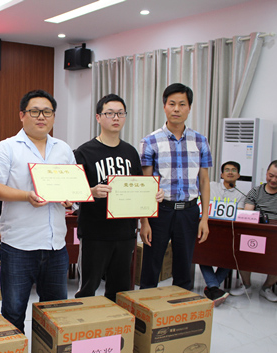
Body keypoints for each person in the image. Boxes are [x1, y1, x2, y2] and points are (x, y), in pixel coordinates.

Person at [0, 89, 75, 332]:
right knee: (13, 312)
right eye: (34, 111)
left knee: (56, 314)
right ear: (22, 115)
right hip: (19, 246)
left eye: (47, 112)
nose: (41, 117)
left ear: (53, 116)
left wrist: (69, 200)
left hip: (56, 245)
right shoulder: (6, 148)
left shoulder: (64, 149)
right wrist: (26, 196)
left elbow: (71, 186)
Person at [74, 94, 163, 302]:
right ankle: (84, 321)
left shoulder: (130, 152)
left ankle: (116, 323)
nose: (116, 118)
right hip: (95, 232)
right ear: (98, 117)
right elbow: (73, 192)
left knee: (120, 289)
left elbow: (140, 187)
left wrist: (150, 204)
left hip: (125, 232)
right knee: (87, 288)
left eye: (120, 113)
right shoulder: (83, 152)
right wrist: (92, 191)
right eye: (110, 113)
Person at [139, 83, 212, 290]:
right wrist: (144, 221)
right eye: (172, 104)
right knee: (151, 267)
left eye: (182, 104)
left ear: (189, 108)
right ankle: (145, 306)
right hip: (160, 211)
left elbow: (204, 181)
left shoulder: (200, 141)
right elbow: (146, 183)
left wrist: (204, 218)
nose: (176, 109)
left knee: (184, 268)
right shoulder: (150, 141)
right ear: (164, 107)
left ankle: (180, 307)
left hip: (189, 211)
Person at [230, 160, 277, 302]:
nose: (273, 180)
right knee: (241, 251)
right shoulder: (256, 191)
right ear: (266, 173)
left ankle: (266, 287)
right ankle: (246, 285)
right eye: (271, 175)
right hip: (256, 232)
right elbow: (248, 213)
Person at [200, 161, 245, 306]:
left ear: (238, 175)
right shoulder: (211, 186)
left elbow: (239, 215)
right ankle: (213, 287)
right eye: (227, 170)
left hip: (227, 233)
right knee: (200, 253)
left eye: (233, 170)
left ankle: (212, 287)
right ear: (221, 174)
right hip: (208, 228)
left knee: (231, 256)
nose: (230, 172)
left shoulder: (241, 195)